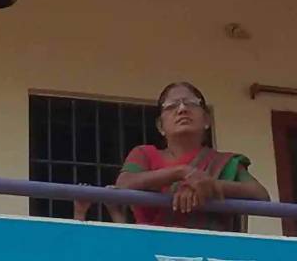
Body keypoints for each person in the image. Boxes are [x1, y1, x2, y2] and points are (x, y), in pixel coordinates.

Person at [80, 82, 269, 230]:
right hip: (149, 250)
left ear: (206, 120)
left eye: (191, 103)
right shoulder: (145, 154)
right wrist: (181, 172)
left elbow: (261, 195)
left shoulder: (225, 162)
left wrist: (208, 186)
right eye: (171, 106)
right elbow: (124, 184)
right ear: (161, 126)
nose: (182, 109)